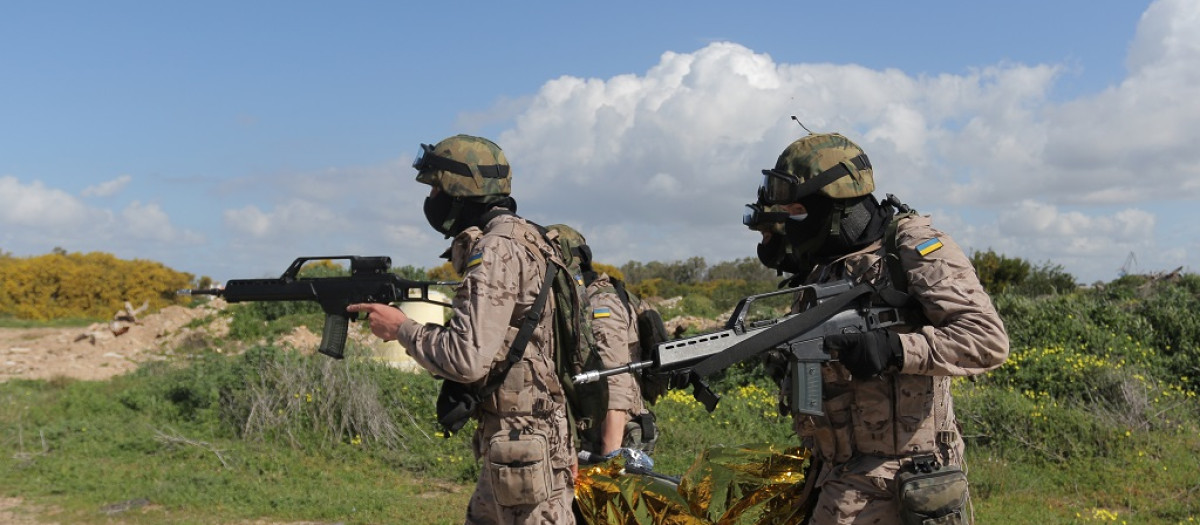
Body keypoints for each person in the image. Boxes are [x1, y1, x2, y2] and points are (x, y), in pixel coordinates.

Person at [752, 132, 1009, 524]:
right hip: (834, 479)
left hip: (904, 482)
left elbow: (986, 339)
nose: (794, 225)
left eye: (799, 212)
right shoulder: (827, 263)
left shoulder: (913, 247)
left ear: (839, 207)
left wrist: (896, 349)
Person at [348, 134, 575, 525]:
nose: (432, 197)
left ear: (460, 189)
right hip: (520, 437)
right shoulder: (530, 238)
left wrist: (401, 328)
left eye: (437, 185)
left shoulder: (496, 249)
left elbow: (467, 359)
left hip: (523, 442)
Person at [550, 225, 656, 459]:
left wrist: (609, 464)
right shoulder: (577, 301)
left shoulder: (600, 303)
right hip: (590, 433)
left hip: (612, 436)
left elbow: (615, 384)